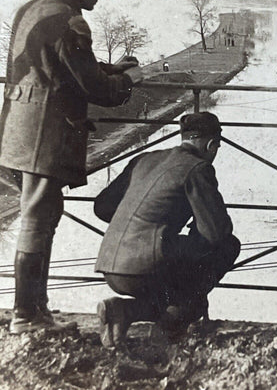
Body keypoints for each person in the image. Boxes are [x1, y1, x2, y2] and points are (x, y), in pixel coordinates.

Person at [0, 0, 144, 334]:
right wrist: (126, 81)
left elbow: (56, 61)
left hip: (16, 132)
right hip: (46, 136)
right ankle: (27, 316)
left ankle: (37, 310)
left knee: (41, 215)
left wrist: (107, 67)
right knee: (37, 218)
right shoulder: (71, 20)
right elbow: (94, 89)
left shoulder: (30, 9)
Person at [94, 112, 240, 348]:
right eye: (217, 147)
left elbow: (102, 207)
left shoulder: (144, 159)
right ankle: (168, 329)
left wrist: (145, 225)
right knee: (226, 248)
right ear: (211, 144)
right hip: (143, 268)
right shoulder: (198, 168)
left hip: (110, 264)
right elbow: (216, 233)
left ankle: (122, 310)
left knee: (179, 290)